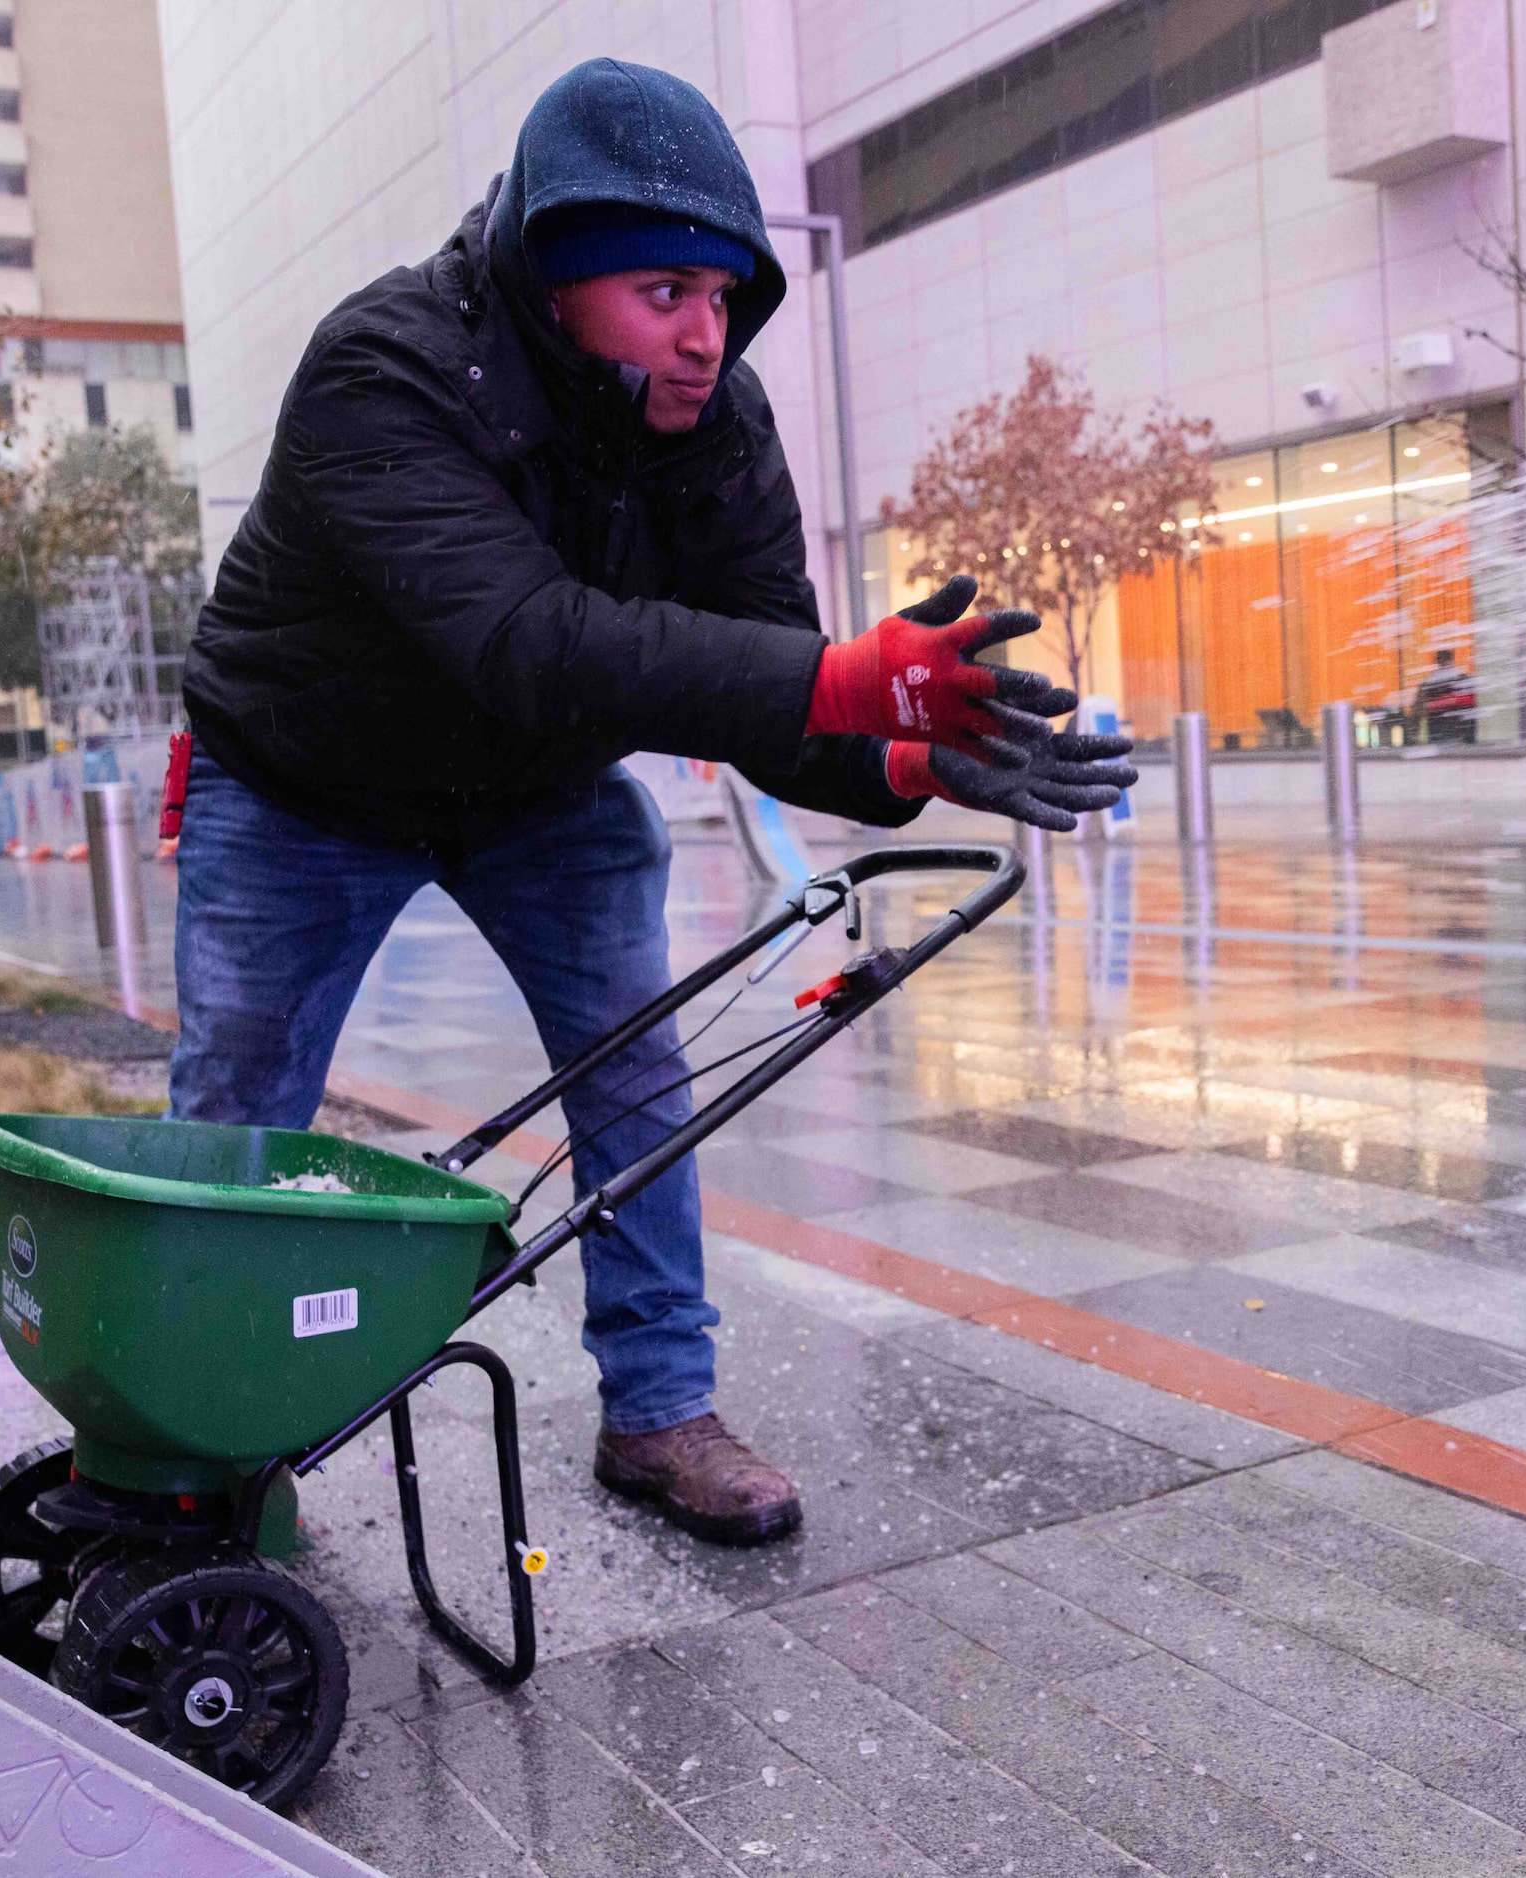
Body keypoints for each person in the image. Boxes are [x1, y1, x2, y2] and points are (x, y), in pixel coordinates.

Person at [169, 58, 1134, 1547]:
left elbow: (766, 680)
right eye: (666, 292)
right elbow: (529, 637)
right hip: (303, 783)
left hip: (532, 787)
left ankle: (661, 1407)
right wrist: (841, 677)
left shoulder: (718, 427)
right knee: (240, 1104)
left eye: (726, 295)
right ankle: (203, 1433)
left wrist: (904, 755)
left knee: (636, 1075)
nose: (707, 335)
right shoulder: (387, 369)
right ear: (554, 271)